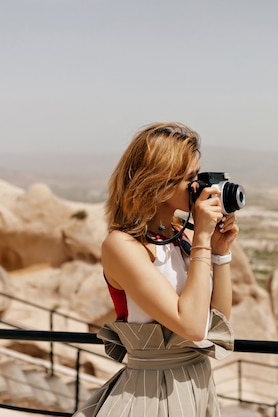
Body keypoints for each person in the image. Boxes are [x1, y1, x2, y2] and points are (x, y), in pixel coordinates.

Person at [73, 122, 239, 417]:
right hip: (152, 393)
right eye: (190, 178)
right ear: (158, 183)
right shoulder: (122, 245)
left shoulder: (179, 237)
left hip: (198, 383)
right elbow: (189, 326)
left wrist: (220, 253)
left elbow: (217, 322)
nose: (200, 187)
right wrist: (201, 238)